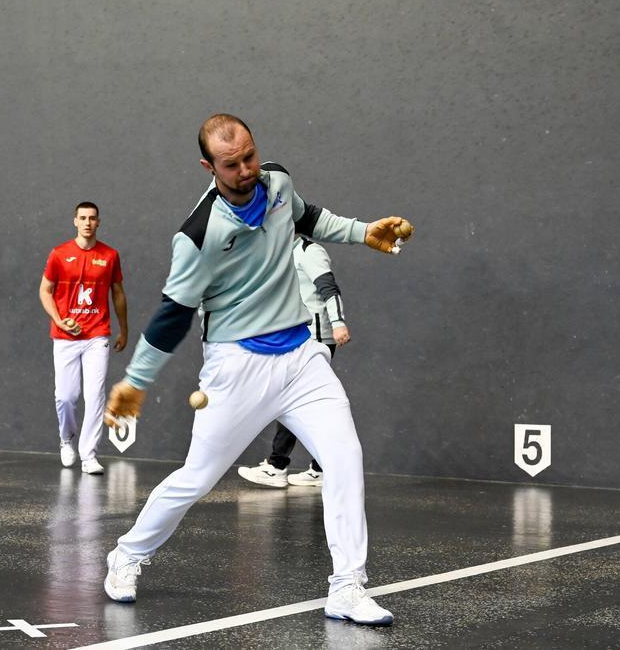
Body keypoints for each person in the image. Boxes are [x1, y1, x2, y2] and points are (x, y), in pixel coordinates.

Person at [101, 114, 413, 626]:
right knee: (197, 478)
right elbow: (173, 314)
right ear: (209, 167)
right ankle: (128, 554)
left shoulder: (278, 181)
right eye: (232, 164)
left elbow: (308, 217)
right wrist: (136, 380)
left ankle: (347, 587)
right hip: (237, 367)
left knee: (344, 459)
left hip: (302, 356)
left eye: (250, 155)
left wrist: (362, 232)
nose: (246, 169)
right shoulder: (199, 235)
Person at [238, 236, 351, 488]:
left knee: (292, 399)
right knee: (303, 402)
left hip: (315, 339)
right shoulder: (280, 253)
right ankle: (319, 467)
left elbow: (329, 288)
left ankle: (278, 466)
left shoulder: (310, 251)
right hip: (296, 338)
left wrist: (338, 322)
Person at [39, 202, 129, 475]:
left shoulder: (110, 255)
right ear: (75, 221)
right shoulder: (59, 254)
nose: (87, 222)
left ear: (98, 222)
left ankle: (89, 454)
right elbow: (45, 291)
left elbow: (118, 294)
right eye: (83, 218)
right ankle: (66, 439)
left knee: (95, 395)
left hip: (97, 335)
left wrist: (124, 329)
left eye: (92, 218)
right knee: (67, 396)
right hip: (65, 336)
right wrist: (59, 320)